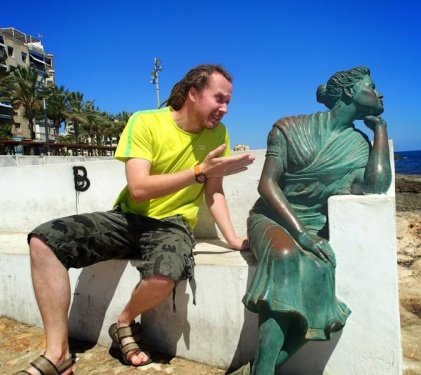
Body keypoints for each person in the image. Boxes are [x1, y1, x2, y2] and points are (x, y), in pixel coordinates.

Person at [16, 64, 254, 375]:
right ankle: (57, 352)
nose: (224, 109)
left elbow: (214, 192)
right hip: (128, 218)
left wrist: (234, 239)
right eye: (219, 99)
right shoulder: (145, 122)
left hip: (173, 225)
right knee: (44, 240)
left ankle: (124, 322)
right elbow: (139, 189)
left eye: (228, 102)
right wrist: (199, 171)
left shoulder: (218, 134)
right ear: (193, 94)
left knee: (164, 274)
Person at [234, 66, 391, 374]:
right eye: (372, 86)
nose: (379, 93)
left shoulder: (359, 146)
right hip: (272, 219)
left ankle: (259, 369)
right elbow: (267, 185)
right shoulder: (289, 128)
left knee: (321, 278)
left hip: (315, 228)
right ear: (349, 92)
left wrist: (381, 131)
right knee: (284, 255)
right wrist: (301, 234)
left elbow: (376, 185)